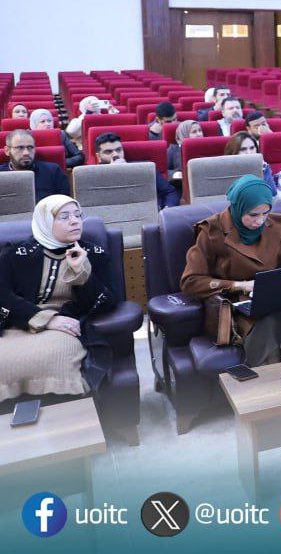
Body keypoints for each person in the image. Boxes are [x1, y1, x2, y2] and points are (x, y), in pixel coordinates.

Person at [180, 176, 281, 366]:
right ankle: (270, 384)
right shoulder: (212, 231)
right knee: (268, 336)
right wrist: (241, 285)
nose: (260, 221)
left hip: (275, 299)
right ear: (238, 208)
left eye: (265, 213)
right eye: (253, 215)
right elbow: (190, 281)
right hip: (237, 304)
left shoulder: (274, 226)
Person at [0, 195, 116, 401]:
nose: (74, 221)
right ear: (45, 222)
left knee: (56, 360)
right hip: (19, 325)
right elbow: (2, 295)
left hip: (66, 327)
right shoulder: (18, 254)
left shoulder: (94, 253)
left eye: (78, 215)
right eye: (64, 217)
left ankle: (69, 418)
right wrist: (45, 319)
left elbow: (107, 301)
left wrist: (82, 272)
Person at [93, 132, 180, 208]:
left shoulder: (144, 168)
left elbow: (170, 193)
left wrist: (166, 211)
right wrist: (112, 173)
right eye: (108, 152)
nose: (116, 154)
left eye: (118, 150)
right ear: (98, 157)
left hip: (151, 214)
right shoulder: (94, 177)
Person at [2, 130, 70, 200]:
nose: (26, 153)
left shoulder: (53, 171)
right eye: (20, 148)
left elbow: (64, 201)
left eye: (30, 147)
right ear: (7, 151)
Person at [223, 132, 278, 196]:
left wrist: (262, 170)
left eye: (252, 148)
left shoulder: (263, 166)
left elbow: (272, 192)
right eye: (243, 149)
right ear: (234, 152)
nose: (249, 153)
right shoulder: (227, 168)